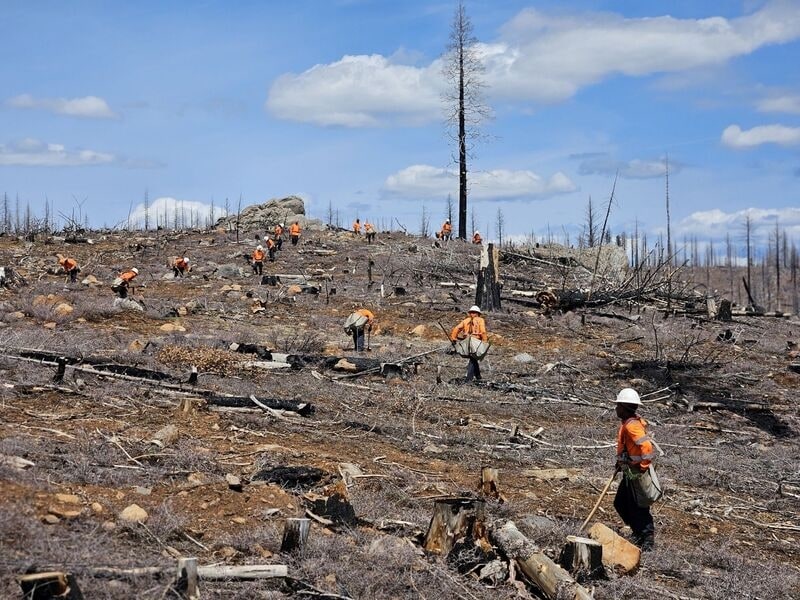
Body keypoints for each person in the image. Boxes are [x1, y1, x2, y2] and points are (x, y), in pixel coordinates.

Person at [613, 388, 656, 551]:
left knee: (637, 505)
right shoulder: (630, 423)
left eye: (618, 406)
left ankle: (646, 538)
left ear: (624, 407)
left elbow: (646, 447)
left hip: (637, 472)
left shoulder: (632, 426)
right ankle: (639, 532)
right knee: (621, 503)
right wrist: (621, 462)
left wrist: (641, 466)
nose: (616, 409)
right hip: (630, 471)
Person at [450, 305, 487, 382]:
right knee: (473, 358)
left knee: (473, 358)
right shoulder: (480, 320)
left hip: (466, 341)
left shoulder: (465, 321)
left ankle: (478, 376)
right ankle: (468, 379)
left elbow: (457, 328)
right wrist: (484, 342)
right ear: (478, 313)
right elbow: (483, 331)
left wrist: (453, 338)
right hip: (476, 341)